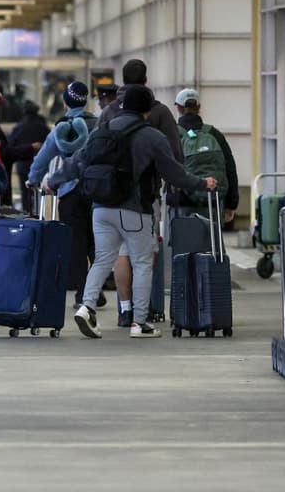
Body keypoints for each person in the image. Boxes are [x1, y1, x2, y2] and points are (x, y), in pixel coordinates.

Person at [46, 85, 216, 339]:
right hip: (133, 210)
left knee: (103, 259)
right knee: (142, 262)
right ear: (147, 110)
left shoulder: (102, 130)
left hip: (101, 208)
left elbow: (78, 162)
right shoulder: (152, 136)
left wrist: (53, 180)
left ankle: (86, 307)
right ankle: (139, 322)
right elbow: (175, 174)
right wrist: (203, 183)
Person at [96, 59, 184, 325]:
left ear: (122, 80)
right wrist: (175, 181)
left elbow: (95, 150)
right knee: (144, 255)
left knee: (120, 253)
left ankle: (125, 309)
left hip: (111, 194)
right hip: (145, 195)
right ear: (146, 80)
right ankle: (144, 311)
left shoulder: (109, 111)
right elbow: (175, 153)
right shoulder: (159, 112)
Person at [27, 81, 100, 307]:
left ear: (65, 102)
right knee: (96, 242)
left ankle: (82, 293)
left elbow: (42, 158)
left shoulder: (61, 128)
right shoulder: (97, 125)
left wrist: (33, 179)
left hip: (70, 192)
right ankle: (96, 288)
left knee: (76, 244)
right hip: (96, 191)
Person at [173, 88, 240, 224]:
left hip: (181, 201)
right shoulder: (213, 133)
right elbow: (230, 168)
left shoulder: (174, 134)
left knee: (181, 236)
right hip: (213, 200)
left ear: (178, 108)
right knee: (211, 235)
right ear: (199, 107)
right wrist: (232, 204)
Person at [8, 100, 50, 214]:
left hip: (23, 164)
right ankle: (40, 214)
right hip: (41, 164)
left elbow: (11, 145)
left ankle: (27, 214)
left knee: (24, 192)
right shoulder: (43, 127)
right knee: (40, 191)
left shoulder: (19, 127)